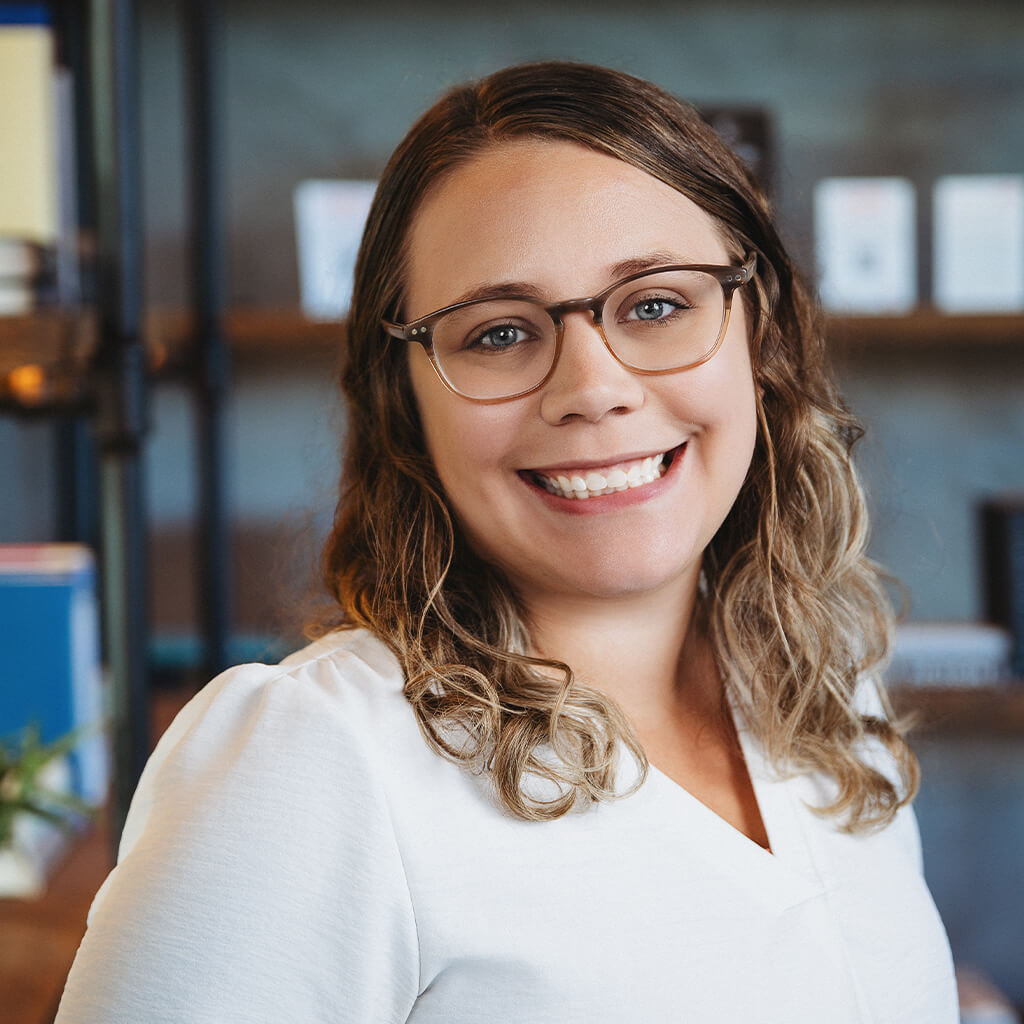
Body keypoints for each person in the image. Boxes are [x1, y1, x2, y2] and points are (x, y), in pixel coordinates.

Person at [57, 61, 958, 1022]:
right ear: (404, 403)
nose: (594, 387)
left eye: (655, 304)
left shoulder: (822, 696)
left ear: (760, 338)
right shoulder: (317, 762)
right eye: (497, 333)